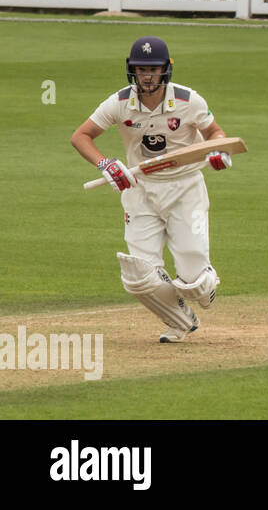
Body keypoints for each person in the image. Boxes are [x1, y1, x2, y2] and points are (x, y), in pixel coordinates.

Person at [69, 36, 232, 342]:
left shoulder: (188, 100)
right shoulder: (119, 102)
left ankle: (204, 284)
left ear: (165, 70)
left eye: (152, 69)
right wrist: (106, 164)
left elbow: (215, 133)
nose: (146, 75)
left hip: (185, 188)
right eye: (140, 69)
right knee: (139, 274)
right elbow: (81, 136)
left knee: (194, 282)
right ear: (132, 70)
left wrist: (216, 151)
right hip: (140, 187)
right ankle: (181, 320)